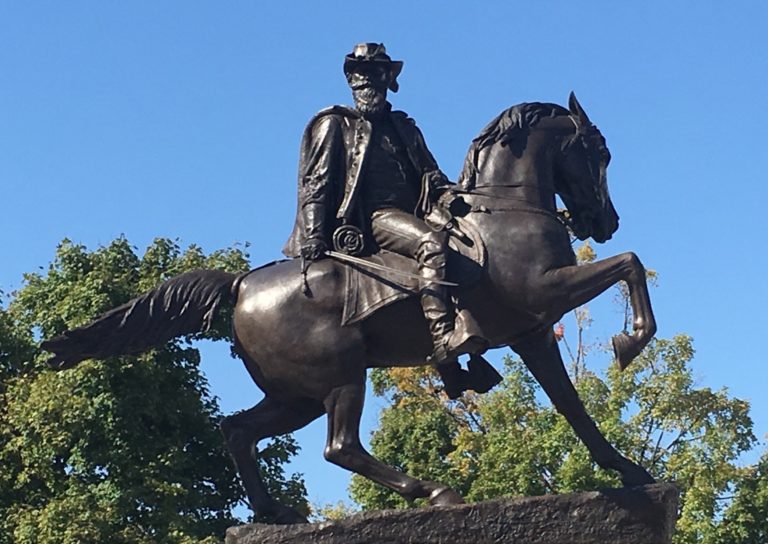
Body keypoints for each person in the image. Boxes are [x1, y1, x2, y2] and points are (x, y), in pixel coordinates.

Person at [283, 43, 475, 367]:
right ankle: (443, 338)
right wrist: (314, 232)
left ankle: (454, 364)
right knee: (431, 244)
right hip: (372, 217)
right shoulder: (336, 123)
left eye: (375, 74)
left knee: (468, 246)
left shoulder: (404, 126)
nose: (367, 81)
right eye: (360, 74)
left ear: (389, 80)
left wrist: (455, 198)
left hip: (420, 212)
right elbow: (318, 181)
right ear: (350, 80)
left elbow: (430, 173)